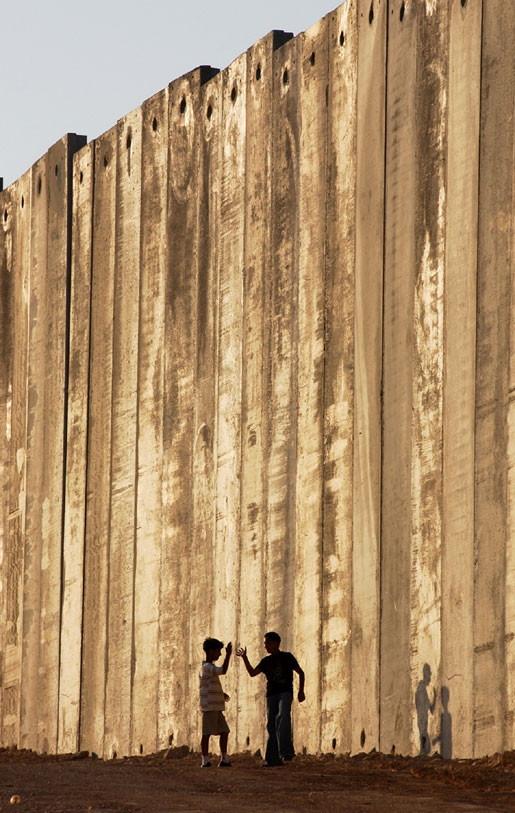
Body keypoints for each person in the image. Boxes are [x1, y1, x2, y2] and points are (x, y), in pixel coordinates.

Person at [237, 631, 305, 766]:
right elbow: (252, 673)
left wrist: (301, 691)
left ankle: (286, 752)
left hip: (285, 692)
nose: (265, 646)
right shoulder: (266, 661)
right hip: (272, 695)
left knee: (283, 716)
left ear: (276, 643)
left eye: (268, 643)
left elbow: (301, 673)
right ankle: (272, 758)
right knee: (272, 725)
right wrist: (245, 658)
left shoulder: (287, 657)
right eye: (265, 644)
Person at [199, 638, 232, 767]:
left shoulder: (208, 668)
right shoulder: (207, 667)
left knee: (224, 731)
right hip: (209, 707)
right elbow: (223, 670)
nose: (219, 654)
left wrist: (221, 694)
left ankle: (224, 758)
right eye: (218, 651)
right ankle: (205, 760)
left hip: (216, 707)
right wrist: (228, 655)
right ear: (211, 651)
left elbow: (208, 685)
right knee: (206, 734)